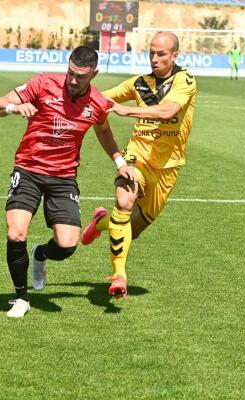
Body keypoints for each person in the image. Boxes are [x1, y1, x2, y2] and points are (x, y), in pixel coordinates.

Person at [0, 46, 135, 318]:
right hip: (29, 169)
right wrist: (13, 107)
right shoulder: (43, 83)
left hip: (64, 177)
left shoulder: (98, 103)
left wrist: (120, 161)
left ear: (94, 74)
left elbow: (104, 132)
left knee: (67, 245)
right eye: (70, 72)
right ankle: (21, 298)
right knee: (15, 233)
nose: (72, 79)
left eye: (80, 76)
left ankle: (41, 254)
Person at [81, 31, 197, 299]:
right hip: (136, 157)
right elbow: (100, 98)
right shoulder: (139, 83)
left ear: (175, 56)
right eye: (151, 53)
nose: (154, 59)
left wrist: (127, 110)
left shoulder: (185, 80)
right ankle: (119, 275)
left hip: (168, 167)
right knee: (123, 202)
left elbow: (168, 110)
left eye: (161, 54)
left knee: (130, 231)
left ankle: (100, 223)